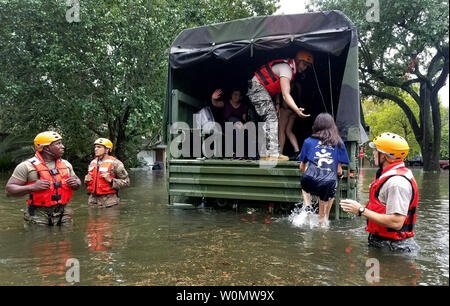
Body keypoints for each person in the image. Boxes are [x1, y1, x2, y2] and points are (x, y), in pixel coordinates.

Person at [340, 132, 419, 252]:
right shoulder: (390, 174)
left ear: (385, 156)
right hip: (385, 243)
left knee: (380, 271)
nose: (374, 153)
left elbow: (396, 222)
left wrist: (361, 210)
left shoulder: (397, 183)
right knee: (373, 269)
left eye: (376, 150)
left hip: (393, 248)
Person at [247, 50, 313, 161]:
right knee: (271, 117)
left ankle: (269, 152)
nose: (305, 68)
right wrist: (296, 109)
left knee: (271, 117)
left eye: (307, 66)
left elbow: (277, 87)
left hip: (262, 90)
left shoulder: (288, 70)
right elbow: (286, 94)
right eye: (304, 64)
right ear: (297, 61)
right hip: (257, 88)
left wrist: (277, 103)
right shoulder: (287, 69)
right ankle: (272, 153)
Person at [5, 131, 81, 225]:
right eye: (58, 144)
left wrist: (76, 183)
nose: (62, 146)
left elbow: (78, 182)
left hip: (64, 214)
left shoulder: (66, 164)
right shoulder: (26, 166)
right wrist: (32, 187)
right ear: (46, 147)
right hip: (37, 215)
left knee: (65, 239)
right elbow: (9, 190)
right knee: (39, 239)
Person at [298, 113, 350, 227]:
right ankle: (323, 236)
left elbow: (302, 166)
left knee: (306, 182)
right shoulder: (339, 142)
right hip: (328, 183)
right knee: (323, 220)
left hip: (309, 179)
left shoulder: (308, 141)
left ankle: (308, 205)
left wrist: (309, 172)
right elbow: (338, 171)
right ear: (332, 126)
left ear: (316, 126)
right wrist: (340, 176)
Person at [84, 138, 130, 208]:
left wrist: (111, 180)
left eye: (99, 147)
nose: (96, 149)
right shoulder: (92, 163)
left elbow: (127, 182)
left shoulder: (116, 163)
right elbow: (90, 184)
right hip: (93, 202)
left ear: (107, 149)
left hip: (109, 203)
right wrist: (86, 181)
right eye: (95, 147)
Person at [211, 88, 249, 158]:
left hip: (238, 126)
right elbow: (215, 104)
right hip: (226, 125)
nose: (235, 96)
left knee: (244, 131)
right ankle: (234, 153)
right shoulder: (226, 103)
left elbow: (245, 119)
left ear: (240, 97)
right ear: (231, 95)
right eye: (234, 94)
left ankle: (242, 153)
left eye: (237, 95)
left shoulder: (243, 106)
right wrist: (213, 98)